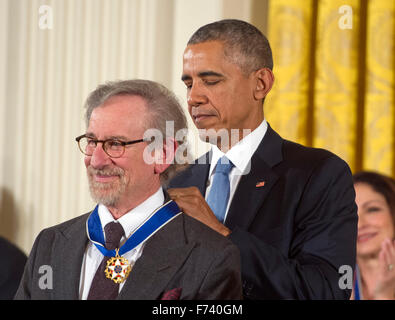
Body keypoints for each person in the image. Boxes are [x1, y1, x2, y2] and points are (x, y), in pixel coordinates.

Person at [167, 19, 358, 299]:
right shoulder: (176, 180)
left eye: (210, 81)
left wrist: (221, 235)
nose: (193, 97)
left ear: (260, 84)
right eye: (188, 84)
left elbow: (327, 290)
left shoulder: (319, 175)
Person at [14, 79, 242, 300]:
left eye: (115, 144)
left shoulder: (211, 258)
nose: (96, 160)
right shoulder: (50, 243)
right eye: (92, 141)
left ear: (162, 154)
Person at [352, 171, 395, 300]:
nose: (360, 224)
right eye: (349, 213)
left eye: (372, 209)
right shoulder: (330, 282)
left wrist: (384, 295)